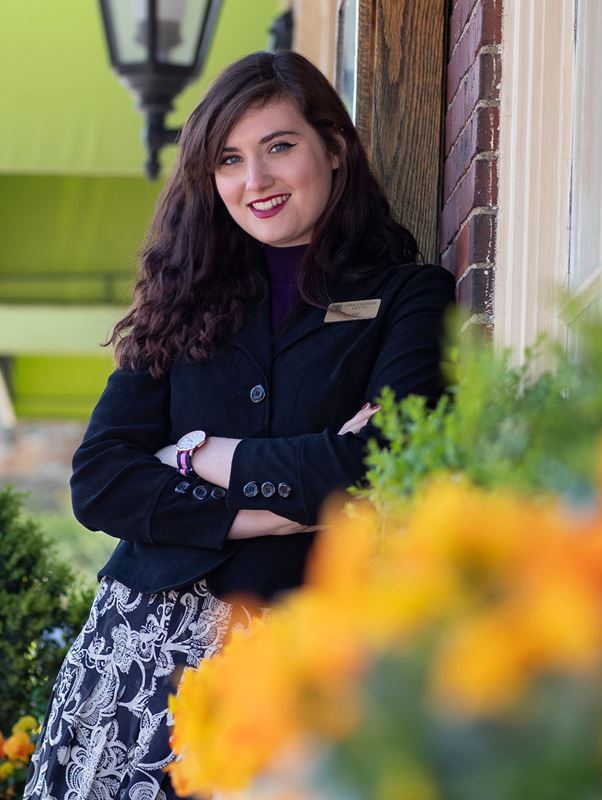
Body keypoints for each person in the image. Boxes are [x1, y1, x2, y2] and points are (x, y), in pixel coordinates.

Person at [23, 50, 455, 800]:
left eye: (278, 147)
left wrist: (198, 455)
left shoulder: (408, 298)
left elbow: (380, 465)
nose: (254, 182)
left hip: (306, 652)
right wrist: (263, 514)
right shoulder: (181, 300)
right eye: (229, 159)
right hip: (146, 646)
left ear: (334, 149)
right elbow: (100, 481)